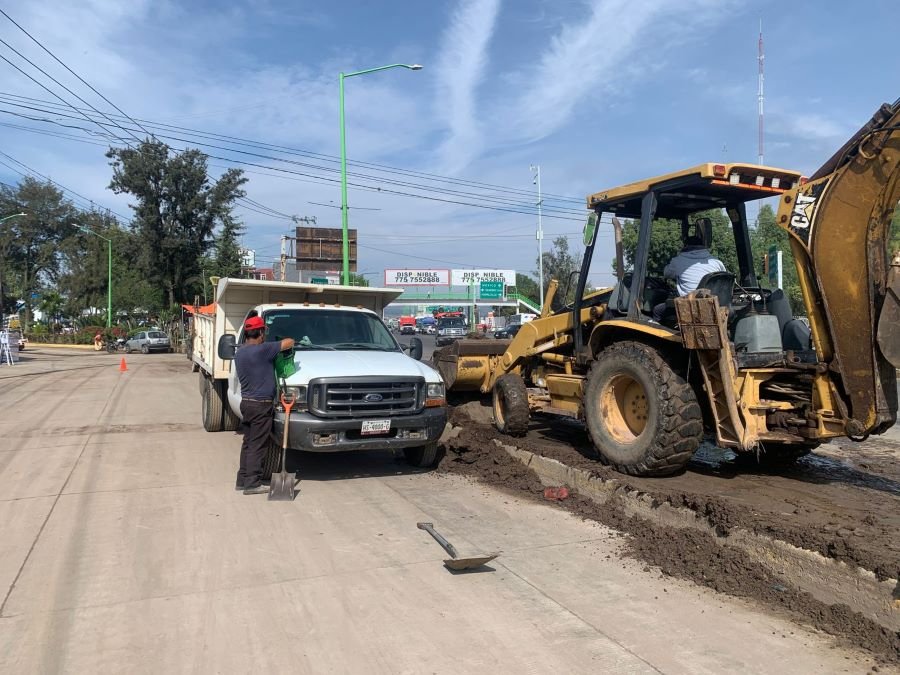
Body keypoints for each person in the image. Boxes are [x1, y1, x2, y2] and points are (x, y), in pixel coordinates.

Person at [234, 316, 294, 495]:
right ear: (260, 333)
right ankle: (252, 483)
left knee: (248, 443)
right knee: (258, 445)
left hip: (247, 403)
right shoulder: (263, 350)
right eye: (263, 332)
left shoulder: (240, 353)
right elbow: (290, 342)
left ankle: (243, 479)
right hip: (261, 405)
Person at [652, 236, 726, 322]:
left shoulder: (678, 261)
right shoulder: (717, 262)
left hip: (689, 305)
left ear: (685, 246)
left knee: (657, 311)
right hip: (714, 305)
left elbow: (666, 273)